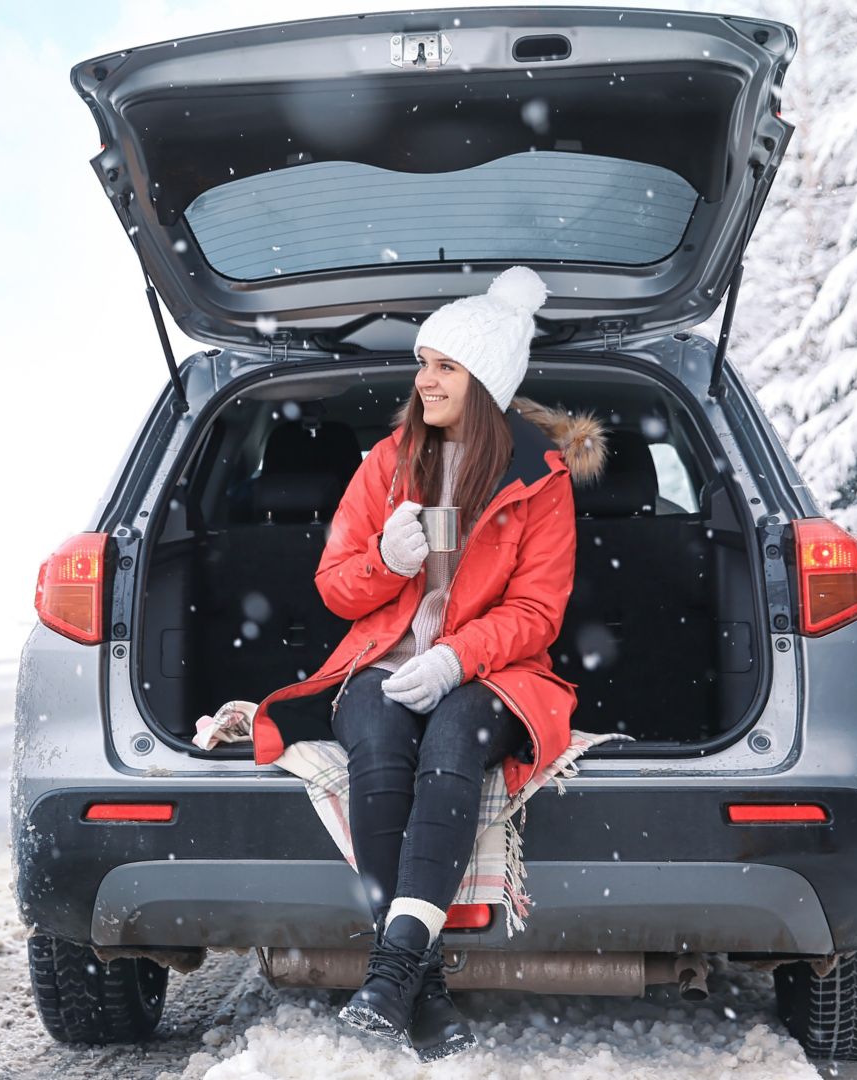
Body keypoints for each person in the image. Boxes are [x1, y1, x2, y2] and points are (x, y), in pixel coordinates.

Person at [246, 265, 609, 1061]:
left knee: (452, 744)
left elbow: (537, 613)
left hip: (494, 672)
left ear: (484, 380)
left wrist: (454, 659)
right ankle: (415, 980)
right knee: (378, 749)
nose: (424, 379)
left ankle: (392, 976)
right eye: (423, 362)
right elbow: (337, 589)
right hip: (378, 660)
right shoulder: (387, 463)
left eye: (444, 365)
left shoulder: (538, 484)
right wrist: (386, 558)